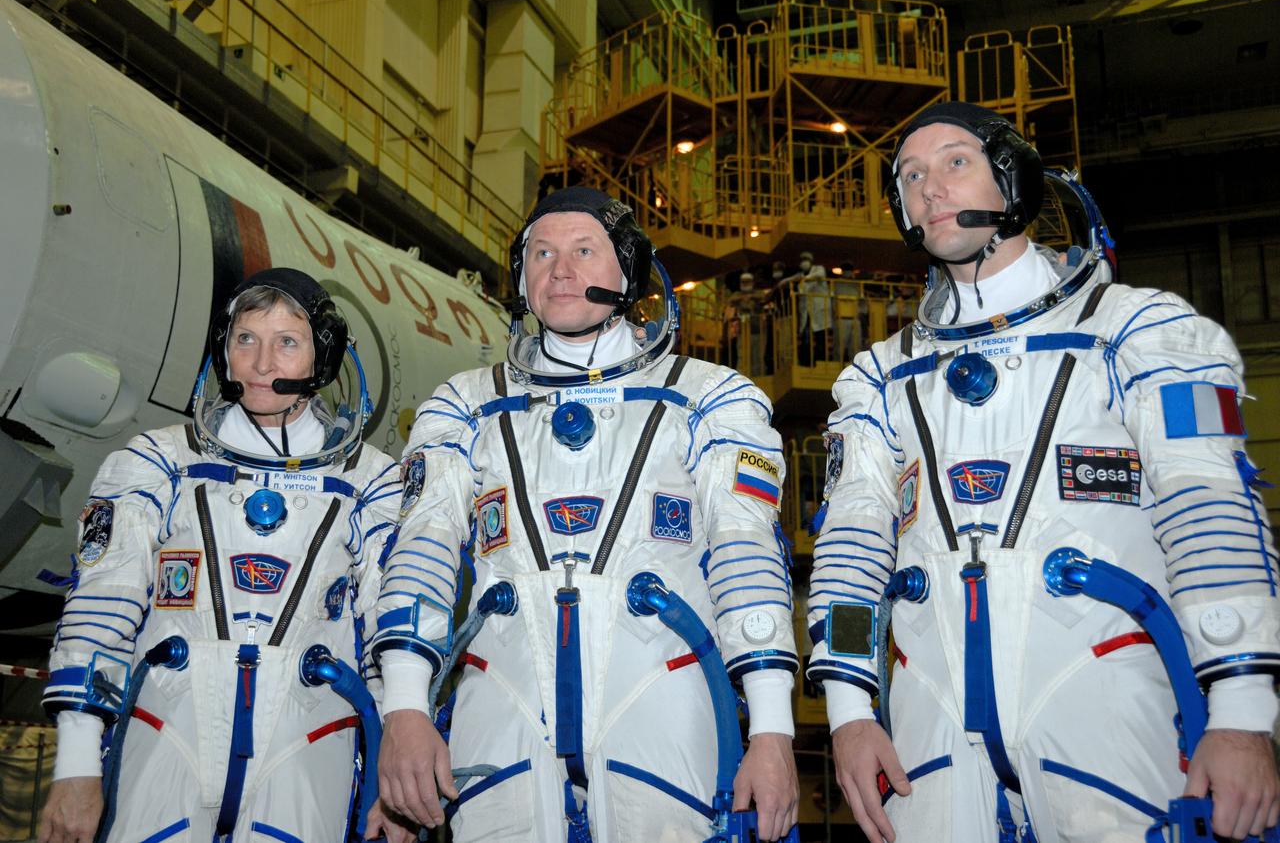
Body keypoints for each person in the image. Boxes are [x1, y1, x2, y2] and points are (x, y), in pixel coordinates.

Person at [807, 102, 1280, 843]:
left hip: (1109, 701)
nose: (929, 186)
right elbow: (851, 551)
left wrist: (1244, 717)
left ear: (1015, 178)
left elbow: (1211, 515)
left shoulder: (1143, 329)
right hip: (930, 723)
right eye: (910, 175)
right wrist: (850, 713)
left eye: (954, 163)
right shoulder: (877, 377)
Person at [374, 186, 800, 841]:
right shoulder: (465, 404)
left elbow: (746, 557)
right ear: (521, 279)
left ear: (627, 272)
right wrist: (405, 710)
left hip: (662, 698)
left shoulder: (707, 397)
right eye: (541, 253)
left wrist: (772, 731)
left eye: (583, 251)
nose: (560, 270)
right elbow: (420, 552)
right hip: (502, 699)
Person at [38, 269, 403, 843]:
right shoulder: (157, 462)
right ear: (223, 351)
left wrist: (391, 765)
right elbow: (100, 610)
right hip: (167, 733)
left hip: (309, 740)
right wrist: (78, 766)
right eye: (245, 339)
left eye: (287, 342)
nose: (262, 364)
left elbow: (388, 628)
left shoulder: (372, 481)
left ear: (322, 358)